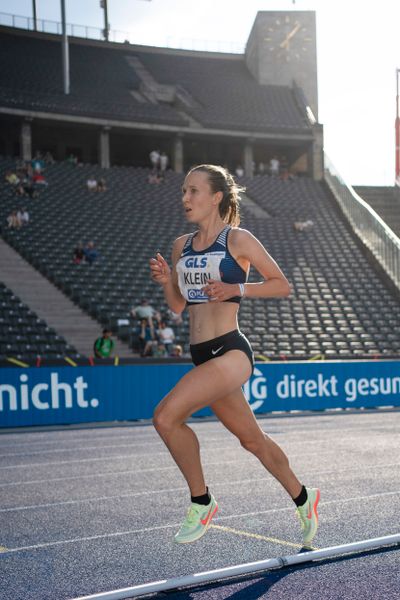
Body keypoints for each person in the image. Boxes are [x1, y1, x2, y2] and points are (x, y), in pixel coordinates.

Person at [150, 163, 320, 547]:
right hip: (201, 353)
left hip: (230, 351)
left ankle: (201, 500)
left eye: (194, 191)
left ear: (216, 198)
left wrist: (236, 289)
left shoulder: (238, 240)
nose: (186, 198)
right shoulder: (182, 245)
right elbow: (179, 306)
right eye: (183, 191)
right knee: (252, 440)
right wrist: (165, 283)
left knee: (165, 417)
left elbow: (281, 286)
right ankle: (303, 497)